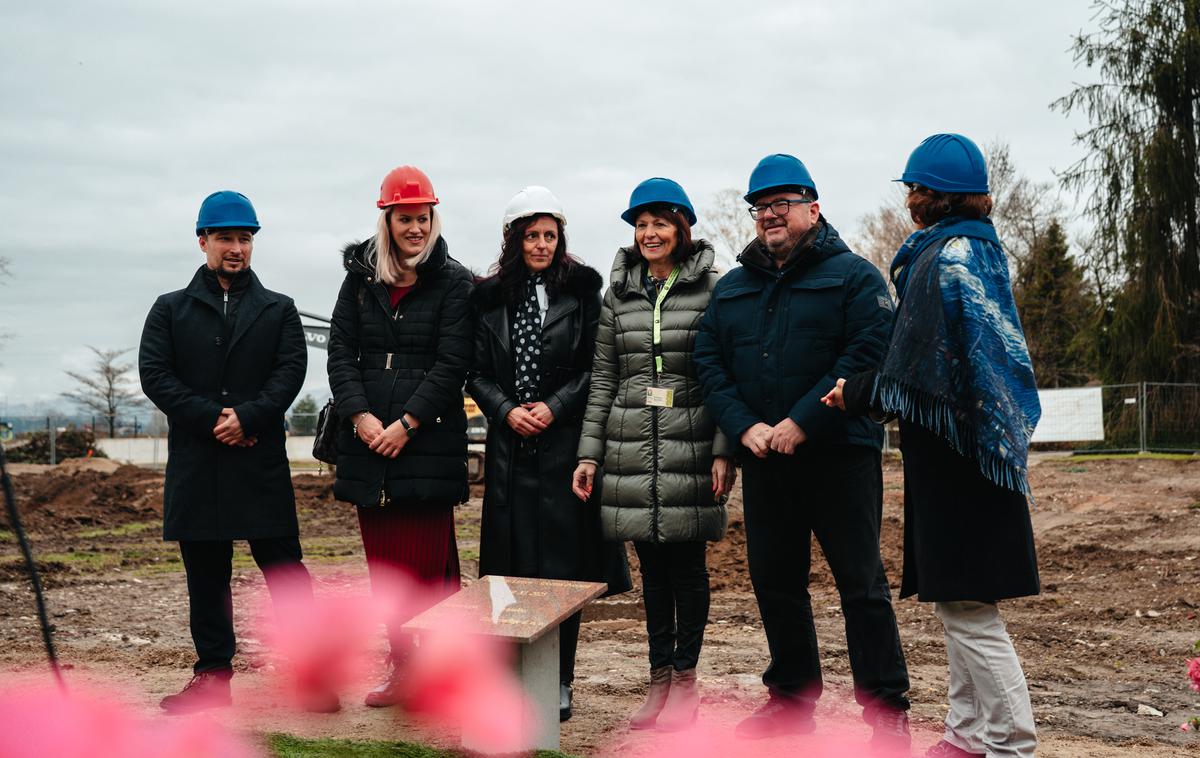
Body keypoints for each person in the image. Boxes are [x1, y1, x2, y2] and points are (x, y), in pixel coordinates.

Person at [822, 134, 1041, 758]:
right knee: (957, 606)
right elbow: (933, 362)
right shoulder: (965, 251)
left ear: (939, 197)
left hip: (963, 461)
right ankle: (967, 733)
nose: (911, 197)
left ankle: (1012, 744)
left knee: (970, 611)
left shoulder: (949, 258)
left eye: (917, 188)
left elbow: (921, 368)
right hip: (956, 456)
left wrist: (859, 390)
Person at [693, 154, 911, 748]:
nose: (769, 216)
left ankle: (886, 707)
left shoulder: (855, 278)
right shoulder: (734, 289)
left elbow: (867, 353)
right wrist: (744, 428)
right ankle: (790, 699)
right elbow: (710, 365)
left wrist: (803, 421)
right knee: (776, 583)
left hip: (841, 457)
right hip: (767, 461)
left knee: (861, 585)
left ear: (813, 208)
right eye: (760, 207)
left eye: (781, 205)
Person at [139, 191, 333, 713]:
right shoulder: (169, 310)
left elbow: (290, 372)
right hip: (199, 461)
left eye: (245, 238)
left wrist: (249, 416)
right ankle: (212, 677)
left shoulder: (279, 310)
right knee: (206, 574)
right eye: (225, 237)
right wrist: (212, 420)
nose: (236, 248)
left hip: (258, 460)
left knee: (285, 569)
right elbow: (156, 376)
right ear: (202, 240)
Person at [572, 178, 735, 732]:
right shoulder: (617, 296)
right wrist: (589, 455)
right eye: (641, 225)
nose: (649, 234)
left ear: (681, 228)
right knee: (651, 571)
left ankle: (686, 680)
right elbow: (603, 379)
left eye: (660, 223)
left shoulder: (713, 289)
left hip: (692, 440)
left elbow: (724, 375)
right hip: (630, 443)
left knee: (687, 568)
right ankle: (658, 677)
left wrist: (723, 449)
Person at [468, 186, 632, 722]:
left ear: (561, 239)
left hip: (563, 447)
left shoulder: (583, 293)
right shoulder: (488, 297)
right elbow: (476, 372)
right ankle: (508, 678)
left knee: (560, 569)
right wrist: (504, 409)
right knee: (508, 568)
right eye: (532, 235)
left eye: (550, 235)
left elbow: (595, 366)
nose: (541, 244)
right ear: (514, 239)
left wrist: (555, 408)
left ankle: (559, 679)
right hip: (509, 450)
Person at [327, 165, 474, 707]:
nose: (416, 228)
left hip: (426, 440)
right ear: (386, 219)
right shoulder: (361, 278)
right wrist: (359, 416)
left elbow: (453, 361)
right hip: (368, 443)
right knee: (385, 570)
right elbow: (340, 351)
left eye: (424, 218)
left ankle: (441, 668)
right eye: (406, 218)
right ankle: (402, 665)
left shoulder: (454, 281)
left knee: (429, 564)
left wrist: (407, 423)